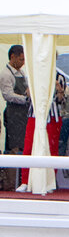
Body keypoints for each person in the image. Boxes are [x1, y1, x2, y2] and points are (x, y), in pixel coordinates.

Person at [15, 68, 68, 192]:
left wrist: (58, 89)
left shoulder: (60, 76)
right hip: (35, 115)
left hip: (52, 116)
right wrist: (30, 90)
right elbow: (27, 96)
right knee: (28, 147)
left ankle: (49, 181)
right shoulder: (34, 73)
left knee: (51, 148)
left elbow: (61, 101)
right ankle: (26, 181)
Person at [0, 44, 29, 191]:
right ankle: (10, 182)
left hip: (23, 115)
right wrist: (25, 98)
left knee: (23, 146)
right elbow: (7, 95)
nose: (23, 62)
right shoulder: (6, 74)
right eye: (21, 59)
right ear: (13, 57)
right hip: (13, 114)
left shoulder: (22, 73)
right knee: (13, 147)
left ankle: (21, 180)